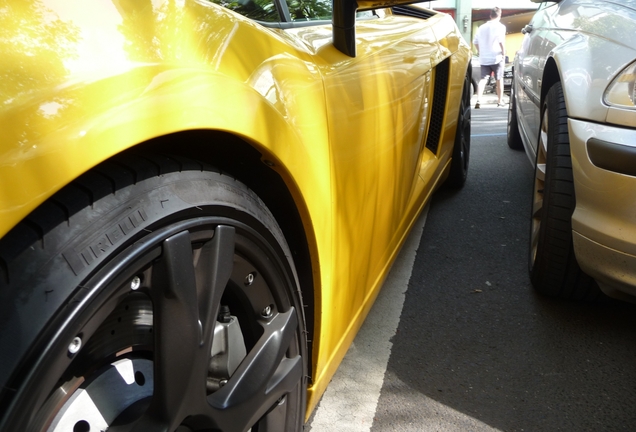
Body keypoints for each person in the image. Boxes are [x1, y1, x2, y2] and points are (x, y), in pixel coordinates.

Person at [473, 7, 506, 108]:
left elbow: (475, 42)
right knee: (499, 79)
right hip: (496, 57)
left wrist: (480, 51)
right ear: (500, 15)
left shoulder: (481, 27)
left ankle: (478, 100)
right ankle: (499, 101)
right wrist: (504, 53)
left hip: (484, 58)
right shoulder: (500, 26)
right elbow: (501, 41)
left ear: (490, 15)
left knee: (483, 79)